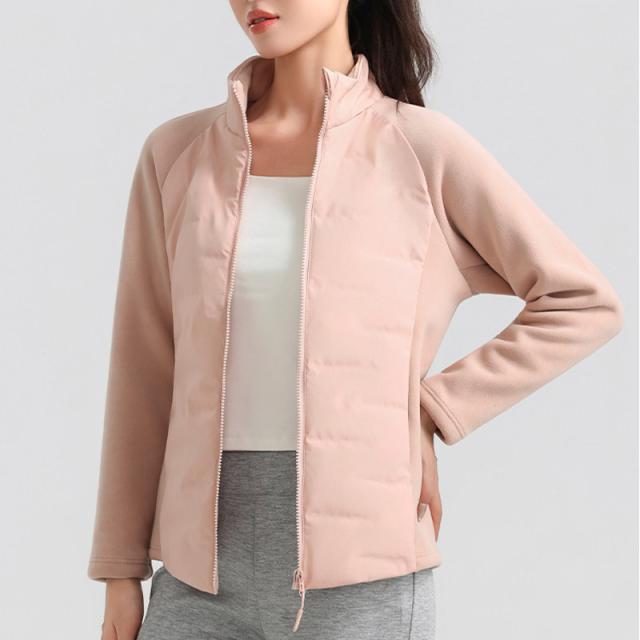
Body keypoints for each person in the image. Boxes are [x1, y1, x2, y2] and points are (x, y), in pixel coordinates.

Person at [87, 1, 625, 639]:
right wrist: (120, 569)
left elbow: (581, 301)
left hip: (363, 580)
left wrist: (431, 408)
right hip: (195, 579)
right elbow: (144, 367)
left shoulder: (421, 149)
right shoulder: (177, 154)